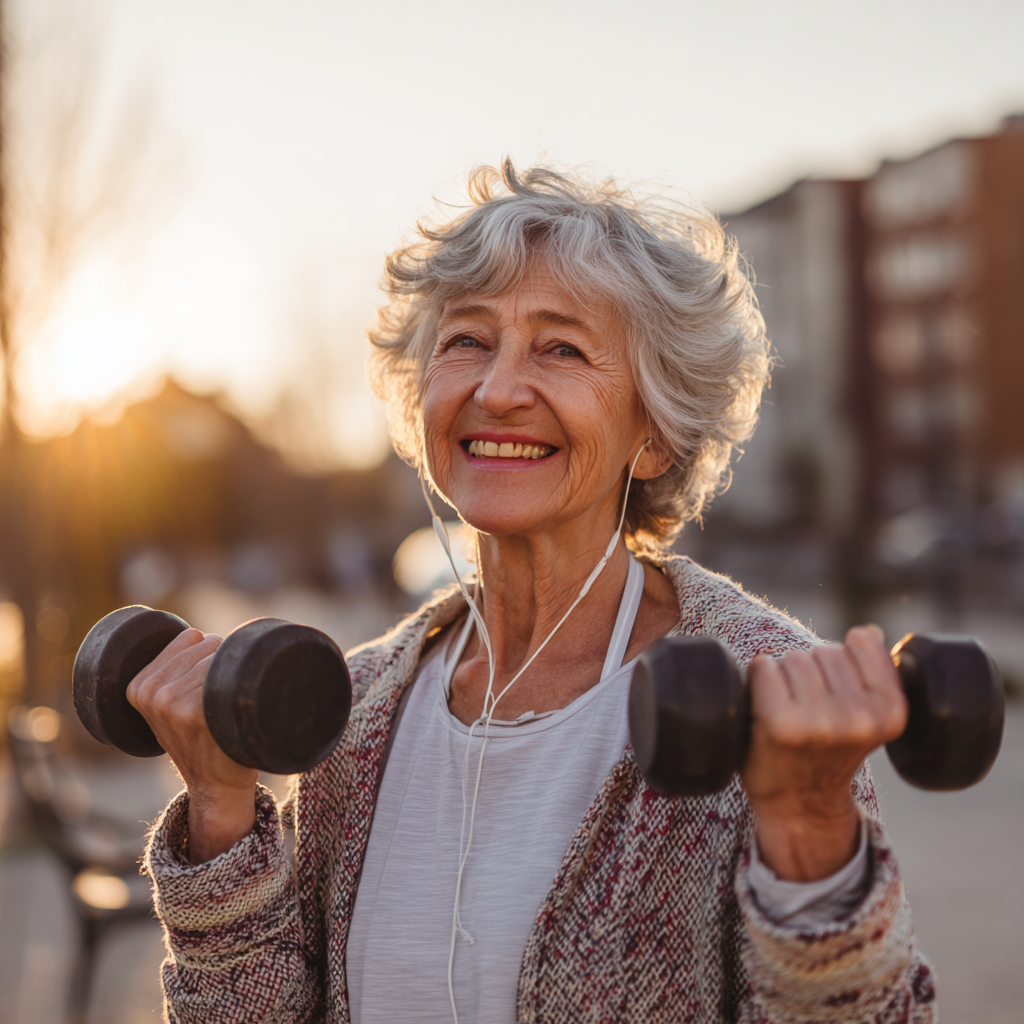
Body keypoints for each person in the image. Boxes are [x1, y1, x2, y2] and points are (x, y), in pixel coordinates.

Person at [133, 162, 935, 1023]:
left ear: (657, 433)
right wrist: (220, 812)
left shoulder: (765, 697)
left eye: (561, 349)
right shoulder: (354, 713)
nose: (499, 390)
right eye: (468, 341)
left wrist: (811, 836)